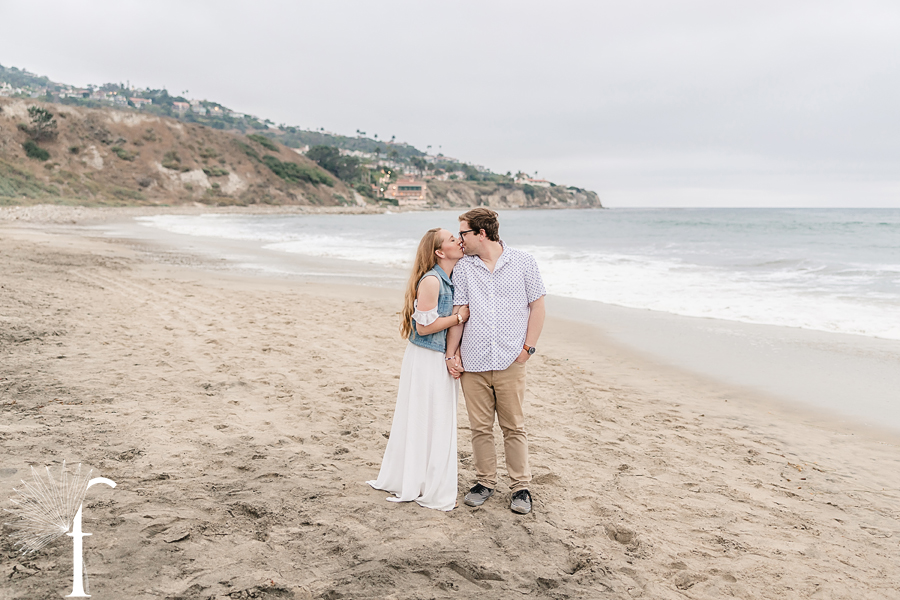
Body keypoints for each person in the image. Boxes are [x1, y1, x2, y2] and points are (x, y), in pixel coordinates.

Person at [445, 208, 546, 515]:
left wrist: (527, 349)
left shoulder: (524, 262)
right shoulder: (464, 268)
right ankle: (485, 481)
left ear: (481, 234)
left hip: (510, 360)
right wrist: (453, 352)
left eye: (463, 233)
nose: (460, 239)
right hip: (473, 361)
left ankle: (520, 487)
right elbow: (460, 312)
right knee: (480, 428)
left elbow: (538, 306)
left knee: (514, 426)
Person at [367, 228, 469, 511]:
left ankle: (425, 476)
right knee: (426, 416)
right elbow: (423, 327)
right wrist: (459, 316)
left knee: (434, 418)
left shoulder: (449, 277)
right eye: (452, 239)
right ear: (439, 252)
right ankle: (420, 480)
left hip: (435, 357)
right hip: (426, 357)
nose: (458, 241)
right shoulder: (432, 282)